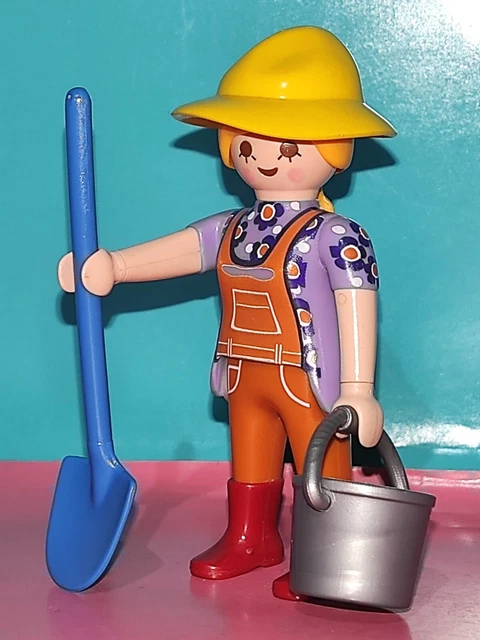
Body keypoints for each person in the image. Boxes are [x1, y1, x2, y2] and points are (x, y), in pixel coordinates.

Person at [58, 25, 396, 601]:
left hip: (309, 380)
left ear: (336, 151)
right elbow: (182, 249)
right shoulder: (232, 228)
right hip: (244, 372)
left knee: (320, 464)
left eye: (286, 148)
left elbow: (357, 305)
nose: (264, 160)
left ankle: (326, 554)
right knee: (251, 456)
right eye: (247, 145)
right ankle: (251, 536)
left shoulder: (337, 236)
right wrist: (113, 266)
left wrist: (359, 390)